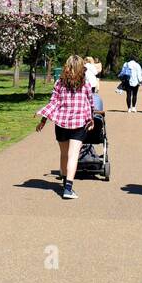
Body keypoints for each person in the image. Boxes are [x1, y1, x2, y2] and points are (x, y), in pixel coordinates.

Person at [36, 55, 96, 200]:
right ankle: (68, 188)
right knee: (73, 154)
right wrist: (91, 119)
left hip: (61, 123)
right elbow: (90, 104)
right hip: (78, 123)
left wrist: (43, 119)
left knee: (64, 154)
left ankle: (64, 180)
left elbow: (53, 103)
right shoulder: (86, 85)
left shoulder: (59, 83)